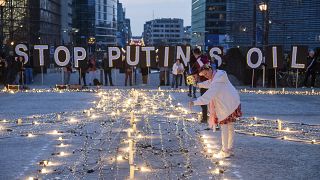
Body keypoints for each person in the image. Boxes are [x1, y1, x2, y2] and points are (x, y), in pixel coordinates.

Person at [189, 64, 242, 158]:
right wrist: (198, 84)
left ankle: (225, 150)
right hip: (232, 102)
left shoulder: (217, 81)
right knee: (230, 126)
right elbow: (210, 83)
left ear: (209, 70)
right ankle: (229, 148)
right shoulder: (218, 75)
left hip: (227, 105)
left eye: (206, 74)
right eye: (204, 76)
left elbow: (207, 96)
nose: (206, 76)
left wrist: (194, 102)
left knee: (225, 127)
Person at [191, 48, 209, 123]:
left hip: (204, 82)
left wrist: (196, 75)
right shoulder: (206, 58)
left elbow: (204, 69)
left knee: (203, 100)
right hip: (210, 81)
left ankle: (205, 117)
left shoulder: (199, 60)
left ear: (195, 54)